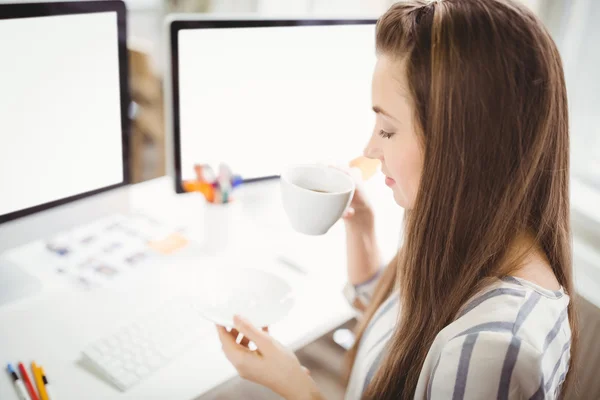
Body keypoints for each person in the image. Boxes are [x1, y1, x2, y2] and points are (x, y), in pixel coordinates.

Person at [215, 0, 576, 398]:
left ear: (463, 147)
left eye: (387, 129)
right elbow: (400, 328)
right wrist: (363, 230)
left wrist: (297, 387)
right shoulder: (468, 241)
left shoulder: (489, 352)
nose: (370, 148)